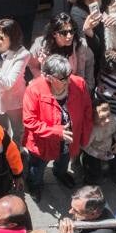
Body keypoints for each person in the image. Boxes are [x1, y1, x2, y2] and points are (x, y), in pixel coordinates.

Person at [22, 54, 93, 198]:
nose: (68, 80)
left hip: (68, 140)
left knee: (64, 161)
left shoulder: (78, 83)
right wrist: (56, 131)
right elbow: (29, 121)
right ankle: (35, 185)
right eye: (63, 78)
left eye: (69, 74)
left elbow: (87, 110)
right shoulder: (34, 90)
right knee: (37, 168)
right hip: (43, 143)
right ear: (48, 77)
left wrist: (84, 136)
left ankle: (59, 173)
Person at [27, 13, 96, 94]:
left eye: (71, 31)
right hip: (48, 90)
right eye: (64, 33)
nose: (69, 36)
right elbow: (32, 66)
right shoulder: (40, 46)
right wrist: (44, 81)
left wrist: (86, 90)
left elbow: (89, 70)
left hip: (74, 91)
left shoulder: (80, 47)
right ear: (54, 34)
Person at [68, 0, 116, 77]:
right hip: (96, 62)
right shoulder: (77, 13)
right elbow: (91, 51)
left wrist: (115, 14)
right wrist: (89, 32)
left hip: (114, 49)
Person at [80, 101, 116, 184]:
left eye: (108, 115)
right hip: (94, 150)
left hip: (109, 148)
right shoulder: (91, 130)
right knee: (94, 171)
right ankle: (89, 180)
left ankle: (114, 174)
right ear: (93, 118)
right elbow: (85, 146)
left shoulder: (114, 119)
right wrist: (97, 154)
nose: (107, 120)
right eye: (102, 118)